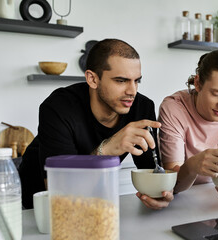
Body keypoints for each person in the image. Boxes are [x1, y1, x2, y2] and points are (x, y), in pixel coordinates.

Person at [19, 39, 173, 209]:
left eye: (137, 81)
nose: (132, 91)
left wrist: (160, 194)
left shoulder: (142, 108)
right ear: (92, 79)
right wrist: (107, 150)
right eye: (121, 81)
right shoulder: (58, 107)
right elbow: (60, 190)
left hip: (94, 199)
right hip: (40, 203)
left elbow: (151, 171)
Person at [158, 49, 218, 207]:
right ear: (197, 83)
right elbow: (171, 186)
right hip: (182, 201)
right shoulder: (173, 108)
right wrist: (192, 166)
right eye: (216, 93)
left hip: (217, 200)